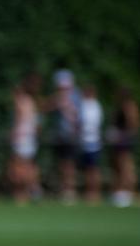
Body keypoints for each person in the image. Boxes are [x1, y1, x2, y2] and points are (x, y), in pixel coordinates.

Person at [47, 69, 81, 202]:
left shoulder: (75, 96)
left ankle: (70, 190)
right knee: (62, 163)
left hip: (71, 136)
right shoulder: (58, 97)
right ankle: (63, 188)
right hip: (60, 135)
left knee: (69, 164)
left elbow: (77, 117)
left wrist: (67, 108)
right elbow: (45, 107)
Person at [8, 75, 42, 204]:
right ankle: (34, 189)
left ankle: (22, 193)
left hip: (22, 137)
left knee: (18, 166)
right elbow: (37, 123)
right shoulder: (32, 101)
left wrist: (13, 134)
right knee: (29, 164)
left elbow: (18, 120)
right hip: (30, 137)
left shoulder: (21, 101)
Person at [108, 86, 139, 207]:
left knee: (125, 166)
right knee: (118, 167)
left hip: (125, 141)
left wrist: (122, 135)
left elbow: (133, 125)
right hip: (119, 141)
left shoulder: (129, 106)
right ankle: (120, 191)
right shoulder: (119, 107)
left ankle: (128, 192)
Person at [77, 85, 104, 204]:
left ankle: (95, 192)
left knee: (93, 168)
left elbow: (88, 123)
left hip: (92, 141)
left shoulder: (93, 105)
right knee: (88, 169)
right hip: (85, 141)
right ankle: (89, 192)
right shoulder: (86, 105)